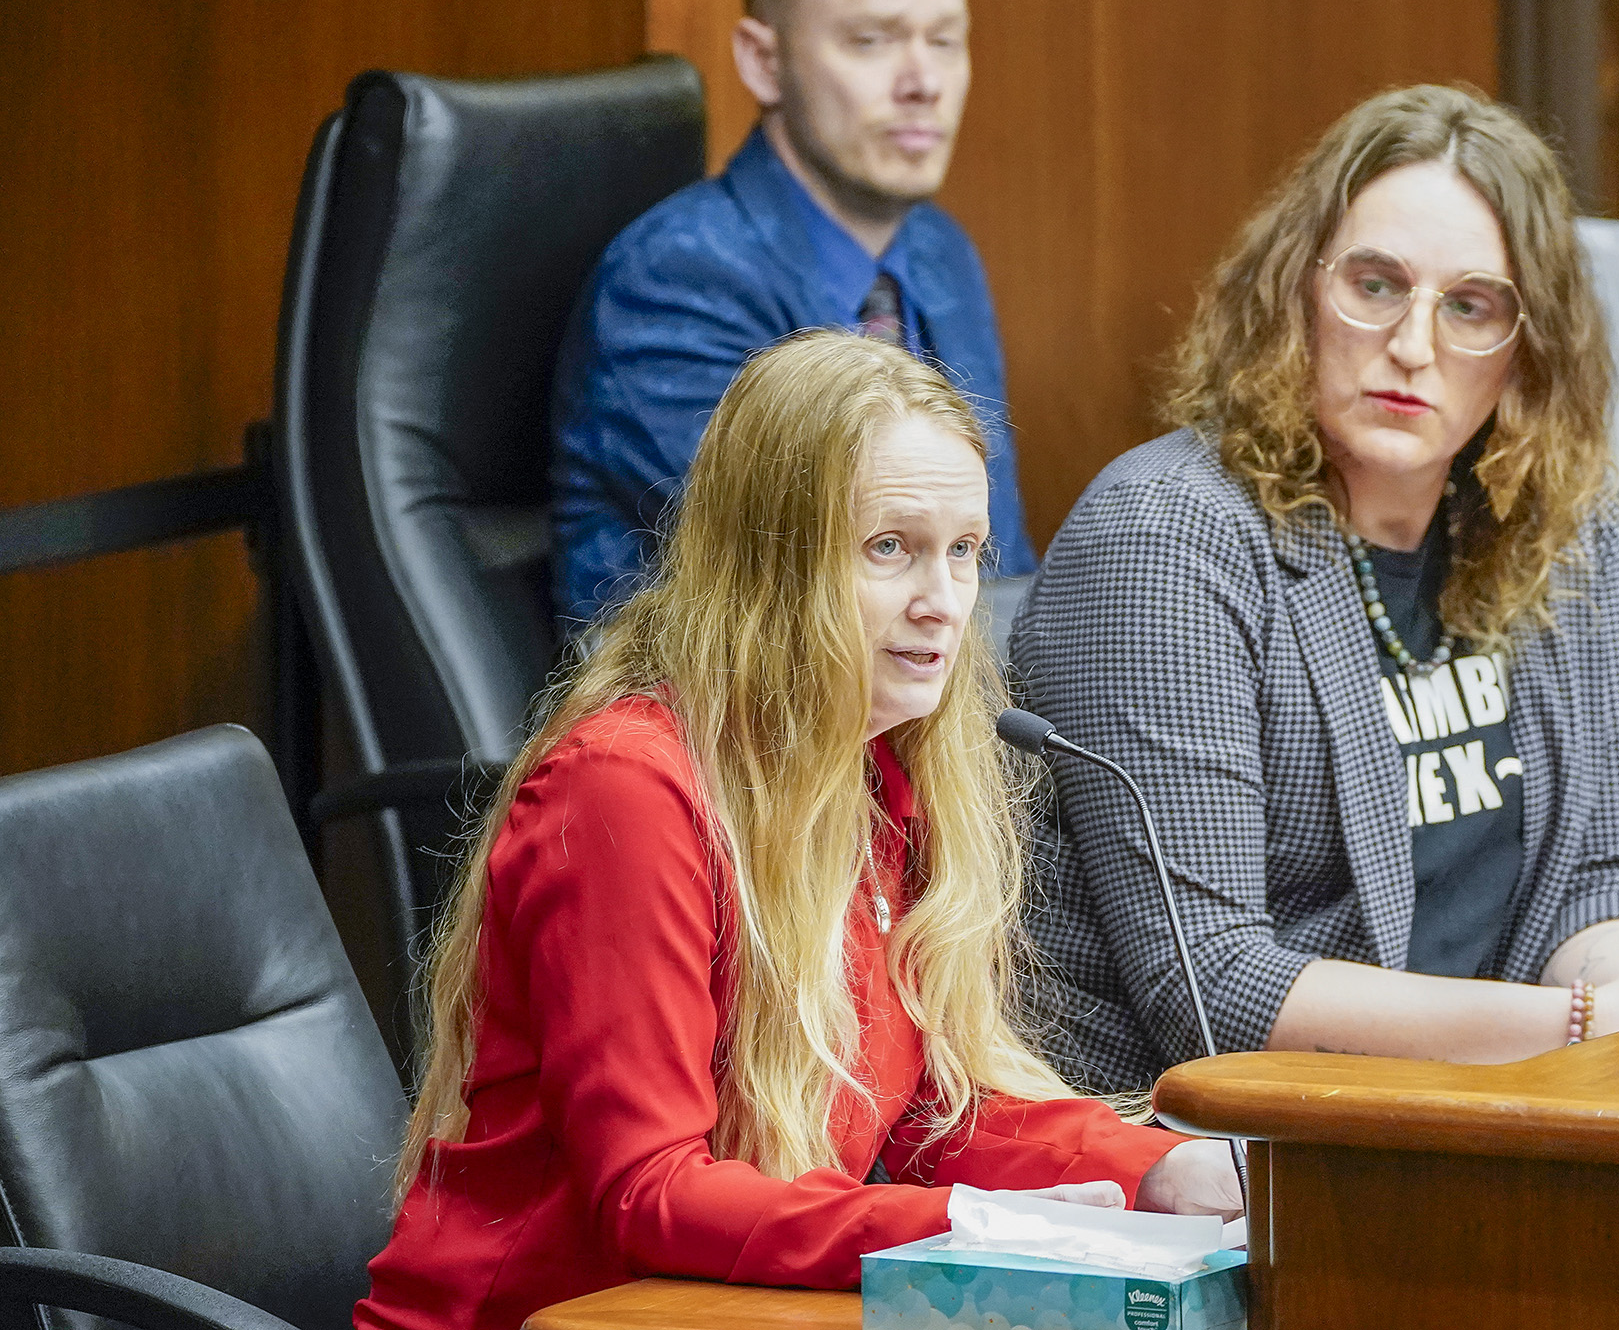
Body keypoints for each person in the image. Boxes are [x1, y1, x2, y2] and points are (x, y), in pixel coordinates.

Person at [360, 334, 1236, 1330]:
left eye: (964, 553)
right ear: (770, 564)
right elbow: (651, 1192)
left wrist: (1167, 1168)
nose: (943, 603)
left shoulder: (882, 771)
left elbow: (924, 1121)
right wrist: (972, 1226)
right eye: (889, 548)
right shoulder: (625, 791)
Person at [1010, 85, 1619, 1095]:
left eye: (1471, 306)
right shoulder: (1167, 541)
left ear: (1528, 355)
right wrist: (1580, 1022)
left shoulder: (1561, 531)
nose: (1415, 346)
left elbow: (1601, 879)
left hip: (1480, 1107)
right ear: (1295, 293)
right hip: (1189, 1152)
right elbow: (1205, 986)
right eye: (1376, 285)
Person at [549, 0, 1034, 629]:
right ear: (762, 61)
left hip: (920, 713)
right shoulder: (676, 276)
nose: (923, 83)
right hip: (724, 726)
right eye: (871, 40)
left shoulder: (940, 254)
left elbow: (996, 567)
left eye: (944, 41)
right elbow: (816, 579)